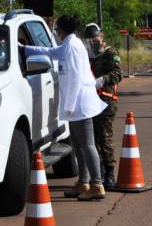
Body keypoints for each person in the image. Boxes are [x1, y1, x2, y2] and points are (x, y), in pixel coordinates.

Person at [21, 15, 107, 201]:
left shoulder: (73, 47)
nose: (56, 33)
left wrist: (68, 106)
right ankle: (83, 182)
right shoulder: (68, 45)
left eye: (57, 30)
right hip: (75, 105)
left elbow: (75, 78)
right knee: (78, 145)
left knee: (88, 145)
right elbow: (51, 52)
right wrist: (26, 49)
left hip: (79, 103)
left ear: (61, 30)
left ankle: (97, 184)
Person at [84, 23, 122, 188]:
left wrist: (101, 81)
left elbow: (118, 73)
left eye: (95, 37)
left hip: (106, 101)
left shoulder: (110, 53)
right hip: (90, 101)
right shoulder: (86, 55)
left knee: (105, 138)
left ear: (102, 36)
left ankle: (109, 173)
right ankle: (97, 174)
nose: (93, 41)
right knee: (92, 140)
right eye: (90, 39)